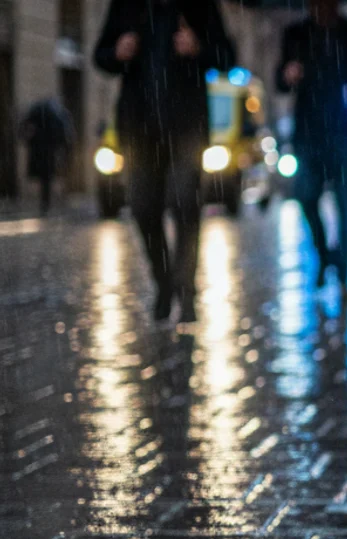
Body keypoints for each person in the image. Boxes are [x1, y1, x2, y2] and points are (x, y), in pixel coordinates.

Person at [93, 0, 236, 323]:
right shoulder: (126, 7)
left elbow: (227, 57)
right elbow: (100, 56)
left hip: (186, 130)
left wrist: (199, 48)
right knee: (143, 208)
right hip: (138, 131)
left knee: (185, 203)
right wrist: (117, 52)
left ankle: (186, 291)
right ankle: (164, 282)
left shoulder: (200, 8)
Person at [277, 0, 347, 296]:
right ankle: (325, 255)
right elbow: (279, 81)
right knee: (306, 197)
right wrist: (288, 74)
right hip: (309, 134)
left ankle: (344, 270)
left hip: (345, 132)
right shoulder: (295, 34)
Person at [20, 99, 74, 216]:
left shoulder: (42, 118)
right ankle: (48, 201)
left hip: (44, 152)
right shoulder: (55, 118)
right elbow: (64, 137)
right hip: (48, 153)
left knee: (46, 179)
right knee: (47, 179)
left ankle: (47, 202)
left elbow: (24, 131)